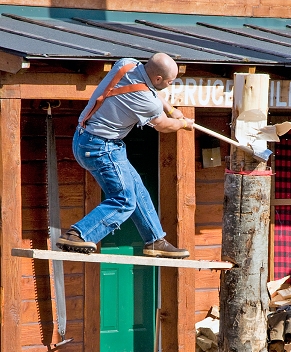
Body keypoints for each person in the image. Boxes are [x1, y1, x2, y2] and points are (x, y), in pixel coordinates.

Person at [56, 53, 194, 258]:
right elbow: (163, 125)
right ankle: (78, 235)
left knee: (137, 189)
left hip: (85, 138)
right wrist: (183, 123)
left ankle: (155, 240)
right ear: (158, 79)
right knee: (124, 200)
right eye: (169, 82)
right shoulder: (148, 102)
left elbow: (152, 94)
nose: (169, 85)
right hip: (101, 147)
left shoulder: (127, 64)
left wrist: (172, 109)